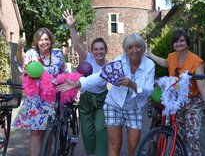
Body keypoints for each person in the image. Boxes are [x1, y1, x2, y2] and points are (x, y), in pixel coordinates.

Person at [57, 33, 155, 156]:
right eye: (130, 47)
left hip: (134, 107)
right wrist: (78, 84)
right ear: (126, 49)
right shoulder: (119, 60)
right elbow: (101, 76)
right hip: (114, 105)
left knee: (133, 146)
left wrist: (133, 85)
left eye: (138, 47)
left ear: (143, 48)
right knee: (115, 145)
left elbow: (149, 90)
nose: (134, 50)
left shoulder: (149, 65)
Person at [145, 29, 205, 156]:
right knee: (178, 135)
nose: (178, 43)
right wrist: (151, 55)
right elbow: (165, 62)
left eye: (181, 40)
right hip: (177, 102)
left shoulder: (196, 61)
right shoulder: (172, 56)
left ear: (187, 42)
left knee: (192, 136)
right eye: (175, 41)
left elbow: (202, 83)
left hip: (193, 102)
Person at [12, 27, 67, 156]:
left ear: (51, 41)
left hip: (52, 98)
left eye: (46, 39)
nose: (44, 42)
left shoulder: (58, 55)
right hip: (35, 99)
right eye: (41, 39)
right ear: (36, 41)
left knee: (48, 131)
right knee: (36, 132)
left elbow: (64, 73)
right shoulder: (32, 53)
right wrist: (20, 48)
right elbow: (20, 61)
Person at [63, 9, 109, 156]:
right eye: (96, 49)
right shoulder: (87, 58)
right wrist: (72, 27)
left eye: (102, 49)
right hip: (86, 99)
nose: (99, 52)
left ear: (105, 51)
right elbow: (76, 46)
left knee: (100, 129)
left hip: (102, 100)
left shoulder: (109, 66)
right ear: (92, 51)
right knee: (88, 133)